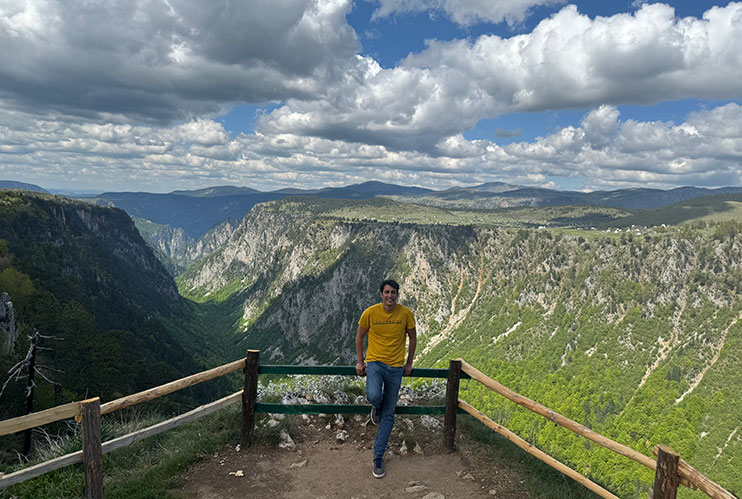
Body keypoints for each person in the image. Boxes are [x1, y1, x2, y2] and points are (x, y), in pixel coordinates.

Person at [355, 279, 417, 479]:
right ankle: (376, 406)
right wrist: (360, 361)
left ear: (397, 294)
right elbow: (359, 336)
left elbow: (413, 338)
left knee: (389, 414)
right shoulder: (370, 313)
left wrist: (409, 363)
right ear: (381, 294)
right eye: (387, 292)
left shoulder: (406, 313)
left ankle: (378, 456)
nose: (390, 296)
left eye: (394, 292)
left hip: (396, 367)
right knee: (373, 395)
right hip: (374, 363)